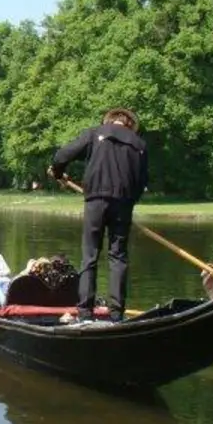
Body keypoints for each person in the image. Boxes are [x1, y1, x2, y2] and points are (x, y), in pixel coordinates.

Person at [48, 107, 148, 323]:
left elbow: (62, 155)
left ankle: (85, 313)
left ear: (109, 121)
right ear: (130, 124)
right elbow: (141, 182)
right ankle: (117, 315)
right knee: (118, 257)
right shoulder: (139, 144)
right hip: (123, 204)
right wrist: (129, 202)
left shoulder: (95, 133)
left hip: (96, 201)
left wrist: (57, 172)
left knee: (90, 255)